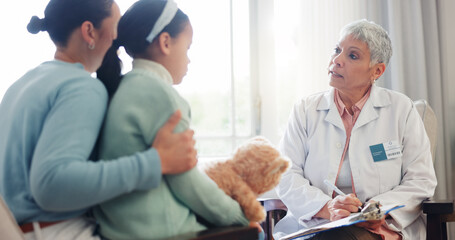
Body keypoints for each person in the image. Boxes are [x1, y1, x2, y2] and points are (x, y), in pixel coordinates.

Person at [0, 0, 198, 239]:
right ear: (89, 32)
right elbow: (51, 184)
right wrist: (156, 162)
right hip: (61, 232)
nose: (118, 38)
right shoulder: (81, 88)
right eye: (115, 27)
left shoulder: (21, 85)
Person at [94, 0, 263, 239]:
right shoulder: (158, 94)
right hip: (164, 232)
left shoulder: (121, 87)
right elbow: (187, 182)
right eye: (188, 47)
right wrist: (239, 216)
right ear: (165, 42)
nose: (189, 60)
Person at [273, 19, 437, 240]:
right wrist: (327, 207)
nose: (337, 60)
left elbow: (421, 180)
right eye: (337, 50)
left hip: (380, 227)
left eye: (352, 55)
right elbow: (285, 174)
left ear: (377, 71)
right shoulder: (305, 110)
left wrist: (380, 208)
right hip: (317, 223)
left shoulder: (401, 110)